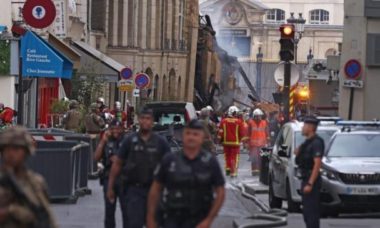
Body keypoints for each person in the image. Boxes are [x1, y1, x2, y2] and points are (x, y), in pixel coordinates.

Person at [147, 119, 226, 228]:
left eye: (195, 134)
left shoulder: (210, 162)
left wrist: (209, 220)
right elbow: (155, 189)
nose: (191, 137)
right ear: (182, 136)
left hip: (199, 219)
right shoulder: (170, 160)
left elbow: (220, 193)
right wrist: (151, 218)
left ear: (202, 138)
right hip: (173, 218)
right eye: (188, 133)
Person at [107, 107, 170, 228]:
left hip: (155, 190)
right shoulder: (129, 140)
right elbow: (118, 163)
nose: (145, 121)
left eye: (148, 119)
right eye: (142, 118)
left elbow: (169, 166)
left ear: (152, 121)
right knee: (133, 224)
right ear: (138, 120)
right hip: (134, 191)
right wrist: (111, 187)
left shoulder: (161, 142)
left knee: (155, 223)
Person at [0, 126, 57, 228]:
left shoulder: (36, 182)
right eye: (6, 148)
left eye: (16, 149)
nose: (11, 153)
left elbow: (46, 216)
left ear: (26, 152)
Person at [95, 120, 128, 228]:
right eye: (113, 128)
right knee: (109, 211)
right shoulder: (106, 140)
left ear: (122, 129)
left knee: (127, 211)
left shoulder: (127, 141)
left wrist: (120, 161)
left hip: (124, 179)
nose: (116, 131)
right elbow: (96, 157)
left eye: (118, 129)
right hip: (108, 179)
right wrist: (103, 141)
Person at [295, 116, 324, 228]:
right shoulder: (306, 143)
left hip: (311, 181)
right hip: (305, 179)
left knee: (312, 213)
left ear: (311, 127)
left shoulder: (317, 142)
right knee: (307, 213)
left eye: (305, 125)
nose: (302, 128)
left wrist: (310, 183)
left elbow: (317, 164)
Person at [217, 106, 246, 177]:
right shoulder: (239, 122)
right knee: (234, 157)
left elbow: (220, 132)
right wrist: (243, 142)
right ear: (234, 113)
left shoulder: (223, 121)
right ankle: (233, 172)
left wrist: (219, 141)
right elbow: (242, 133)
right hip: (235, 143)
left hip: (226, 143)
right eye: (236, 113)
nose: (237, 114)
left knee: (227, 156)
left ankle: (228, 169)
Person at [247, 108, 270, 175]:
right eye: (256, 116)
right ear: (254, 116)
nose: (258, 117)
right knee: (254, 159)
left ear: (261, 116)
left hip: (263, 144)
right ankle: (255, 171)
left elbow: (267, 133)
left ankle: (262, 171)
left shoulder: (264, 122)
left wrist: (268, 142)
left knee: (263, 159)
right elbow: (248, 134)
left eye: (259, 116)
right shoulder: (251, 123)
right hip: (253, 145)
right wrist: (247, 144)